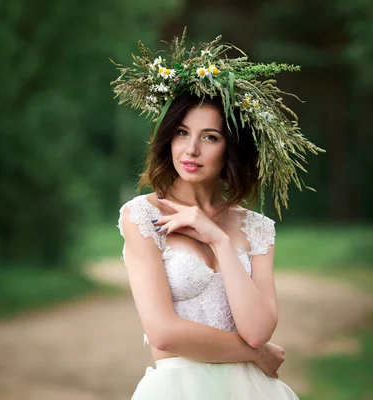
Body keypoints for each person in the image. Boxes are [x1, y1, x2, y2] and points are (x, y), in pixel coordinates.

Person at [112, 30, 323, 400]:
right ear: (168, 139)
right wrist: (254, 354)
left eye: (210, 136)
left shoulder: (256, 228)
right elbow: (163, 334)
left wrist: (219, 239)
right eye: (181, 133)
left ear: (230, 148)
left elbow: (258, 329)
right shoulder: (142, 217)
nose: (191, 149)